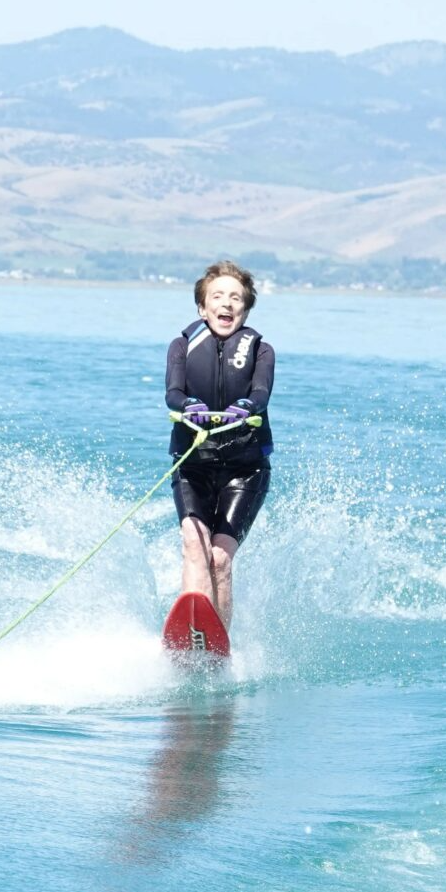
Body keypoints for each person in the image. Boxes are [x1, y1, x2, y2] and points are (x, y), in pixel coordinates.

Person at [165, 260, 274, 628]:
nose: (226, 303)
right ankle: (191, 630)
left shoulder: (261, 351)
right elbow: (173, 393)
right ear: (202, 307)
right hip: (192, 464)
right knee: (194, 546)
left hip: (245, 469)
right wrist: (188, 405)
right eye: (217, 296)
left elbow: (260, 394)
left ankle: (217, 640)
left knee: (220, 559)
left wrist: (247, 406)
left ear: (245, 310)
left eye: (235, 298)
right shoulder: (181, 346)